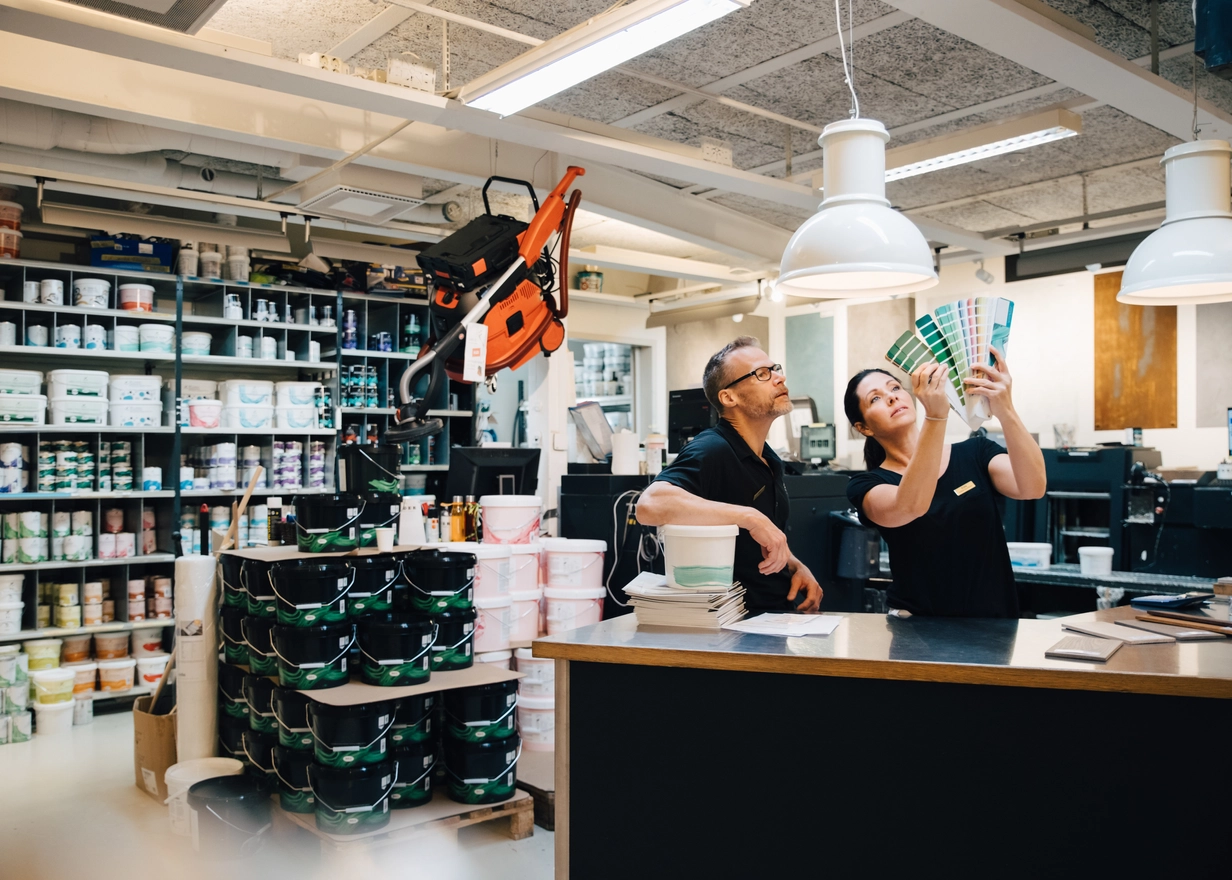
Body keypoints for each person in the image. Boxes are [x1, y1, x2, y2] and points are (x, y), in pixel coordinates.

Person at [843, 348, 1046, 618]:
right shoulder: (866, 485)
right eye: (876, 398)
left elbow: (1032, 487)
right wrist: (936, 417)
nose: (891, 397)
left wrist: (1005, 409)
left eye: (895, 387)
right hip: (918, 629)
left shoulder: (975, 452)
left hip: (995, 624)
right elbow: (911, 505)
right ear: (864, 428)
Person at [635, 337, 822, 613]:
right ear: (728, 397)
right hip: (735, 622)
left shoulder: (768, 457)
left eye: (775, 369)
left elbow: (751, 544)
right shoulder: (712, 448)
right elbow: (649, 505)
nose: (779, 378)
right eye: (762, 373)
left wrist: (794, 565)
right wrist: (750, 517)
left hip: (776, 617)